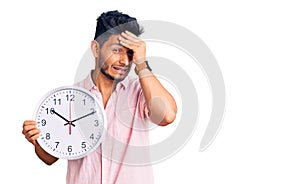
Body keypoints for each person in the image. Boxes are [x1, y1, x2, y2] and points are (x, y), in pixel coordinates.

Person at [22, 10, 177, 184]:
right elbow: (50, 158)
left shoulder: (141, 90)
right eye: (117, 50)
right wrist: (38, 140)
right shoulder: (69, 97)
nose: (125, 61)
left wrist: (142, 64)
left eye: (130, 53)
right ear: (96, 48)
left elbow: (167, 116)